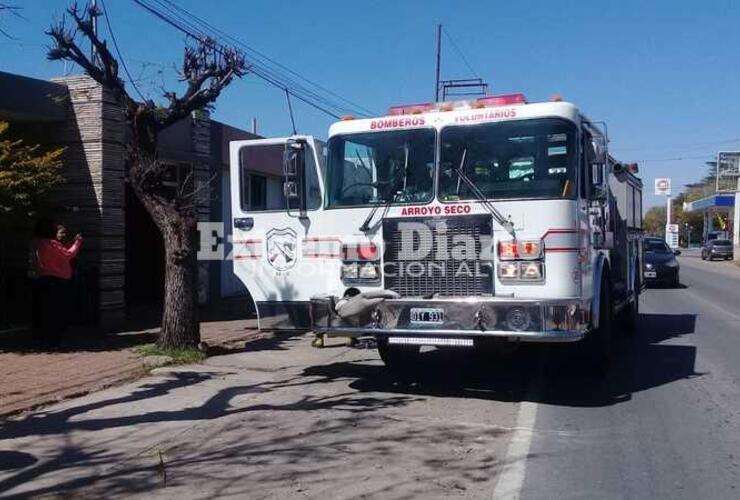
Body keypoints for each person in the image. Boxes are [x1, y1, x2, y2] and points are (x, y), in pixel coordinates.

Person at [36, 221, 83, 348]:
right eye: (62, 232)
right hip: (58, 281)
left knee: (47, 310)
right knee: (58, 311)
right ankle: (55, 340)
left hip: (45, 279)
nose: (64, 235)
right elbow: (68, 255)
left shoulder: (41, 243)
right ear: (53, 233)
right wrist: (77, 242)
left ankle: (43, 338)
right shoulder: (53, 244)